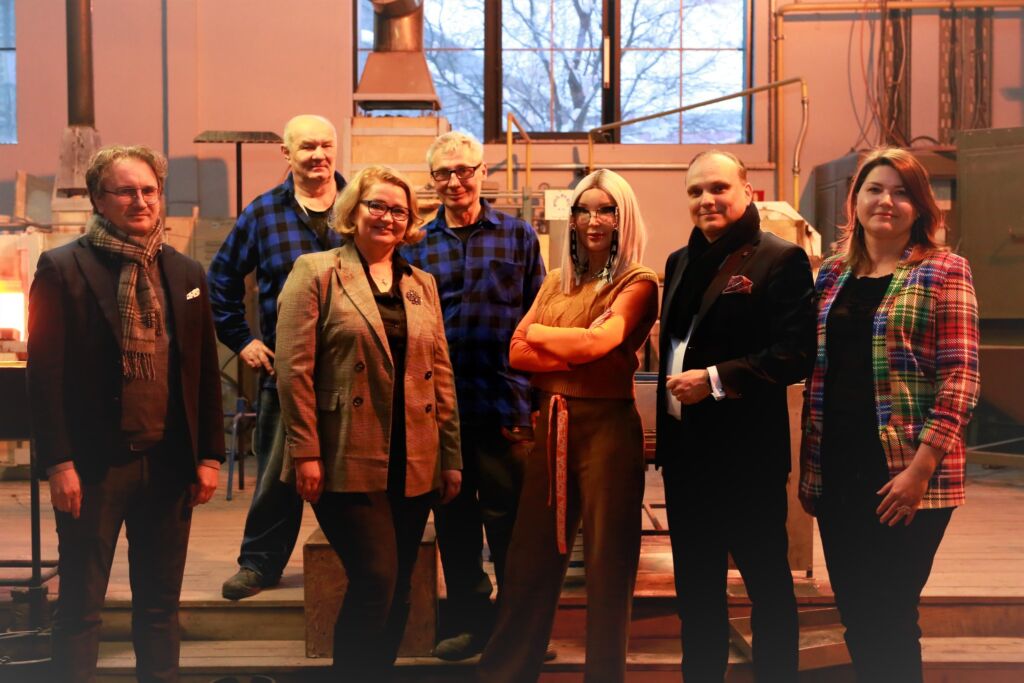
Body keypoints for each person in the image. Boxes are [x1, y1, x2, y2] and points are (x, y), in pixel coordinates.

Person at [27, 145, 224, 683]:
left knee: (160, 608)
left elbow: (203, 370)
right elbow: (44, 378)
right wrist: (58, 463)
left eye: (149, 190)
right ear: (98, 198)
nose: (141, 201)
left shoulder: (185, 271)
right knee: (80, 608)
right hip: (94, 468)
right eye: (126, 191)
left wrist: (209, 455)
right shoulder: (62, 268)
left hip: (169, 464)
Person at [799, 148, 980, 683]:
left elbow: (961, 378)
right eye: (875, 189)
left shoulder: (945, 270)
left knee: (892, 613)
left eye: (902, 193)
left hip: (908, 473)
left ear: (919, 206)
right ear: (854, 201)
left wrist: (919, 471)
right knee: (856, 613)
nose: (887, 201)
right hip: (836, 467)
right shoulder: (831, 275)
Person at [274, 165, 462, 678]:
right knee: (376, 577)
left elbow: (441, 374)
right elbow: (293, 370)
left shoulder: (421, 283)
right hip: (343, 454)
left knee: (400, 587)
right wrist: (305, 451)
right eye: (376, 205)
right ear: (352, 211)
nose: (387, 217)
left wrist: (450, 457)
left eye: (399, 210)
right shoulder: (316, 271)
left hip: (414, 457)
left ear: (411, 221)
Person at [477, 169, 658, 682]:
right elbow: (516, 351)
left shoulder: (638, 282)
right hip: (552, 425)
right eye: (584, 210)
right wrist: (572, 350)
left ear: (623, 217)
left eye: (606, 210)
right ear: (572, 218)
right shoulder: (557, 281)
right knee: (530, 556)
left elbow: (600, 343)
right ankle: (506, 672)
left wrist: (542, 335)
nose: (593, 220)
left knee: (608, 561)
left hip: (608, 430)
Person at [656, 150, 816, 683]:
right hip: (687, 460)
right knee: (696, 591)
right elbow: (676, 345)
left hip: (747, 457)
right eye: (696, 191)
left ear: (747, 191)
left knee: (766, 585)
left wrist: (715, 379)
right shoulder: (678, 261)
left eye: (718, 188)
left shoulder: (780, 258)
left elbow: (796, 354)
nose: (707, 199)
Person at [402, 131, 545, 659]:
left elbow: (538, 316)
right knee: (455, 521)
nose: (455, 181)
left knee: (512, 525)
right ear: (432, 180)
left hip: (504, 403)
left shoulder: (518, 236)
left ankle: (517, 632)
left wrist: (532, 399)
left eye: (464, 170)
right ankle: (469, 623)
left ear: (483, 172)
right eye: (443, 173)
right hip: (439, 410)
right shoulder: (417, 243)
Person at [209, 114, 346, 600]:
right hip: (284, 372)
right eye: (307, 147)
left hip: (352, 374)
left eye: (326, 145)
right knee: (275, 476)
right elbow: (220, 279)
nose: (318, 155)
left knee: (354, 475)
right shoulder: (263, 214)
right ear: (286, 154)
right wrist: (242, 339)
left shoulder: (359, 205)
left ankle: (360, 561)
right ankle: (259, 563)